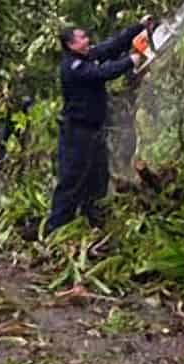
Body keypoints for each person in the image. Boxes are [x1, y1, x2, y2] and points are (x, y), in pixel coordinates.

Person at [43, 15, 153, 235]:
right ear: (71, 45)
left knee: (98, 178)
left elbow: (112, 45)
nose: (87, 39)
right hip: (76, 133)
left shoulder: (87, 55)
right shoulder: (73, 67)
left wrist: (139, 26)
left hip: (94, 131)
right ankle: (54, 230)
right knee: (71, 180)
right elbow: (102, 73)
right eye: (82, 37)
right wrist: (131, 61)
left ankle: (94, 224)